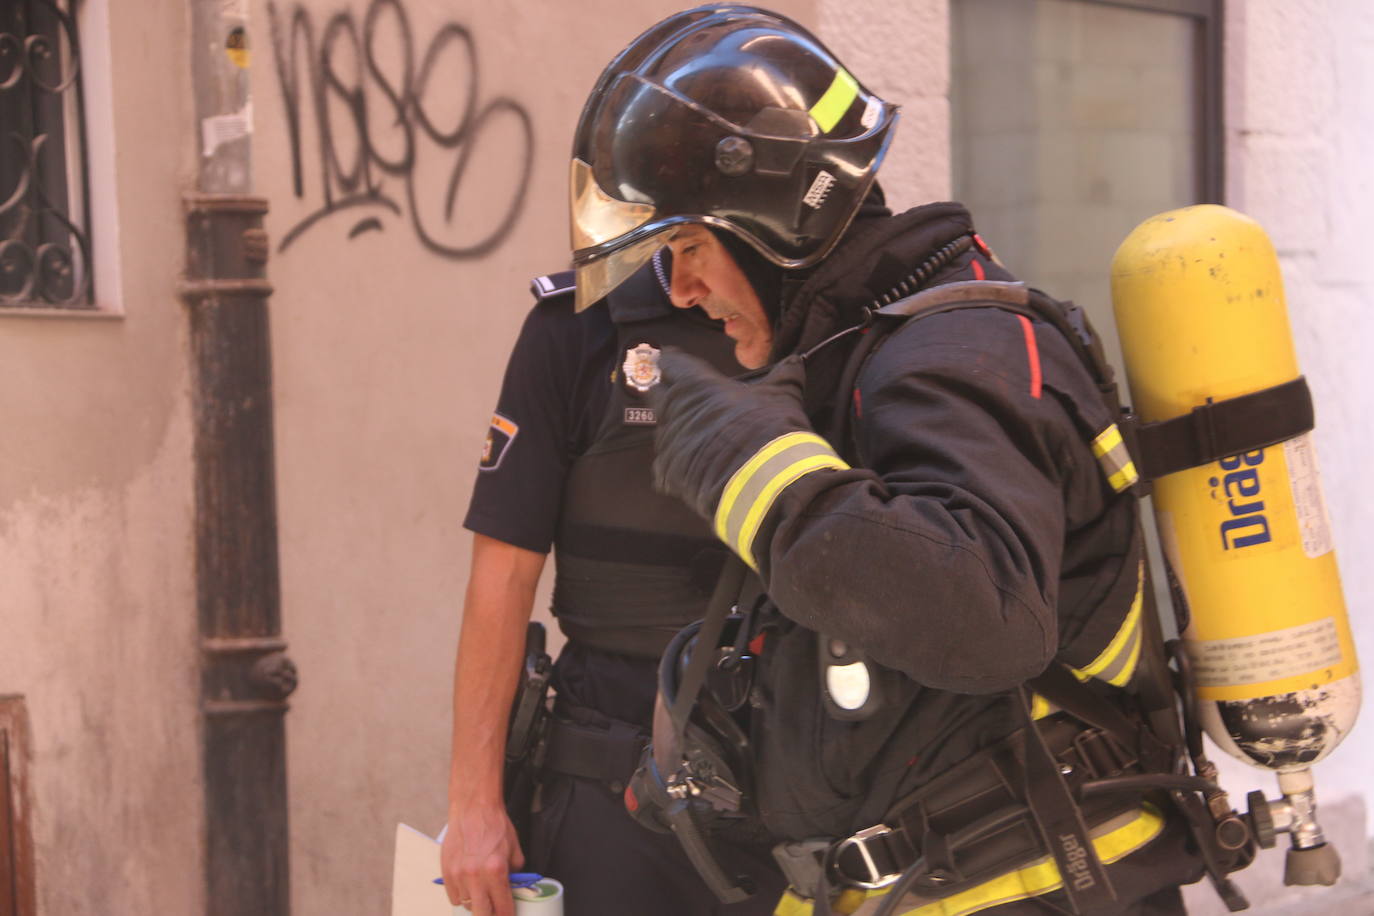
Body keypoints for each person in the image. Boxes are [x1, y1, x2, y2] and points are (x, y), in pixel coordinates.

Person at [567, 6, 1254, 915]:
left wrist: (757, 474)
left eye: (688, 247)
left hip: (1035, 887)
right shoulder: (868, 356)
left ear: (776, 219)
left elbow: (984, 617)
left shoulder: (955, 352)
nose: (682, 290)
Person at [440, 254, 786, 916]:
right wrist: (474, 804)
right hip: (614, 774)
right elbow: (502, 577)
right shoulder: (578, 326)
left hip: (797, 771)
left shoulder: (834, 320)